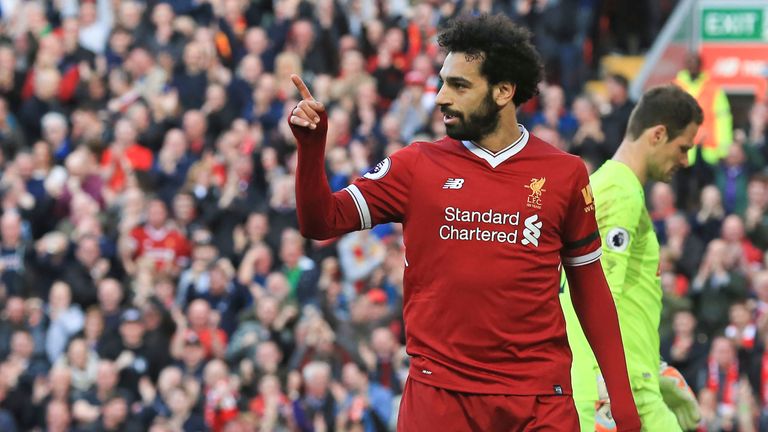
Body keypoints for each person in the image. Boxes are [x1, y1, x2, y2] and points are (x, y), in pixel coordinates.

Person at [288, 13, 640, 431]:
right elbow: (320, 222)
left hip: (538, 400)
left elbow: (590, 287)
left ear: (504, 91)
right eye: (442, 82)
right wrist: (311, 150)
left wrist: (622, 401)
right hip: (440, 397)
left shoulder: (564, 173)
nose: (440, 97)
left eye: (459, 85)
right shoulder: (416, 165)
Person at [560, 85, 704, 431]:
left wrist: (649, 363)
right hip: (617, 394)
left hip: (630, 384)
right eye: (683, 148)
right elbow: (596, 292)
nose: (685, 160)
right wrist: (606, 387)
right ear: (658, 134)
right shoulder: (619, 192)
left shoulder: (612, 187)